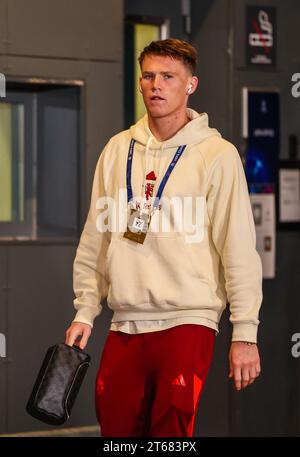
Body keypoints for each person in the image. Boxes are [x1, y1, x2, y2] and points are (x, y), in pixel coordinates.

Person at [65, 38, 262, 437]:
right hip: (125, 322)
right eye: (149, 76)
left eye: (168, 77)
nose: (156, 85)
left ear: (190, 85)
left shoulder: (217, 155)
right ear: (140, 82)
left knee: (170, 435)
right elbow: (95, 238)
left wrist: (245, 333)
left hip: (188, 319)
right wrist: (86, 309)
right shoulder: (118, 149)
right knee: (116, 432)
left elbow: (238, 248)